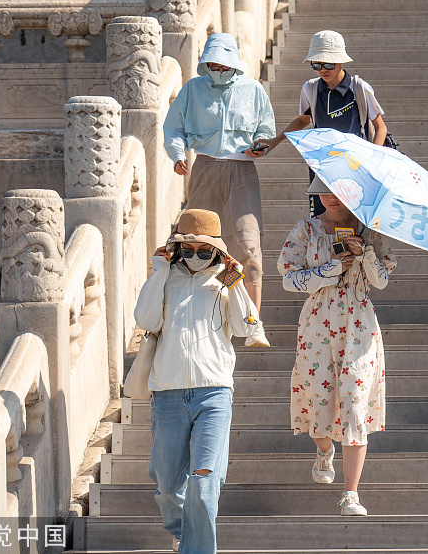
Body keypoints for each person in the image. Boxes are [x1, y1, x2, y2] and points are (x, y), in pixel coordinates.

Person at [134, 209, 266, 554]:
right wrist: (159, 269)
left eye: (204, 251)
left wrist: (236, 282)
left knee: (206, 480)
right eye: (187, 249)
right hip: (168, 393)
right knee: (165, 483)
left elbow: (244, 327)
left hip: (214, 393)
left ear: (217, 252)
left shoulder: (225, 282)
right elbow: (144, 318)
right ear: (177, 248)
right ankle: (183, 530)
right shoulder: (166, 276)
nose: (195, 257)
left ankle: (196, 548)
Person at [278, 176, 396, 516]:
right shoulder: (306, 229)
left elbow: (382, 280)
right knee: (319, 402)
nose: (329, 197)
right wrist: (331, 268)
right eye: (323, 190)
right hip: (318, 322)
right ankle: (324, 449)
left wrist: (366, 253)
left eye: (338, 191)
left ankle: (351, 494)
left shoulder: (370, 230)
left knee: (354, 404)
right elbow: (288, 277)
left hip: (359, 323)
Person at [163, 33, 276, 314]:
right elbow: (173, 126)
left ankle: (252, 321)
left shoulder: (253, 90)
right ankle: (198, 312)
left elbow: (266, 129)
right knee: (199, 244)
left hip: (242, 171)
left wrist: (260, 147)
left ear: (235, 64)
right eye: (214, 66)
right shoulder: (193, 89)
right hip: (205, 169)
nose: (220, 71)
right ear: (206, 64)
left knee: (249, 244)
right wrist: (177, 154)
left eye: (225, 67)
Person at [260, 30, 388, 216]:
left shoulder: (359, 88)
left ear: (341, 61)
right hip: (321, 166)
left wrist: (372, 160)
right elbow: (303, 120)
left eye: (329, 63)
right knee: (322, 221)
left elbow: (380, 127)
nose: (323, 69)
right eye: (317, 64)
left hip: (355, 166)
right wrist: (275, 141)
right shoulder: (310, 88)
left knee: (354, 221)